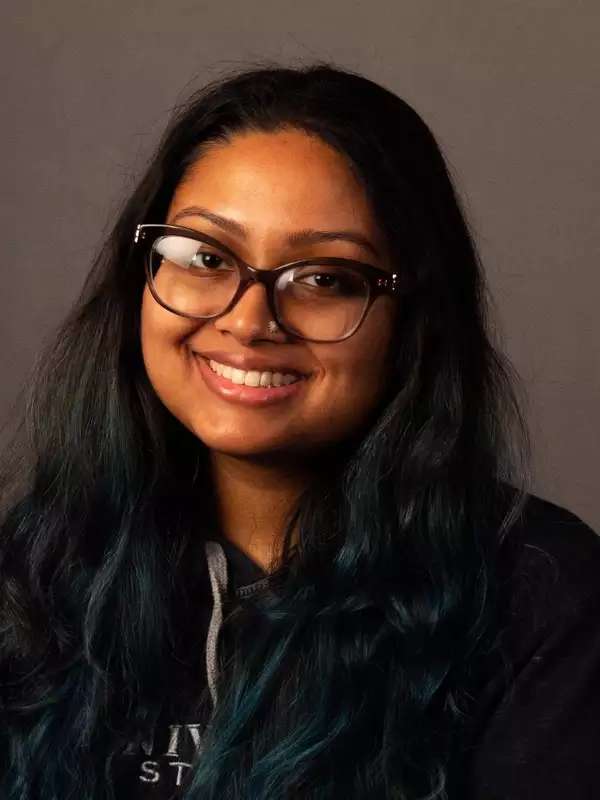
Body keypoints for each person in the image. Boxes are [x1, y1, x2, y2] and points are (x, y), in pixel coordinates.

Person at [1, 62, 599, 800]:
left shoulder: (546, 599)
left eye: (324, 278)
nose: (249, 321)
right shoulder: (30, 574)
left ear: (412, 320)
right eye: (206, 258)